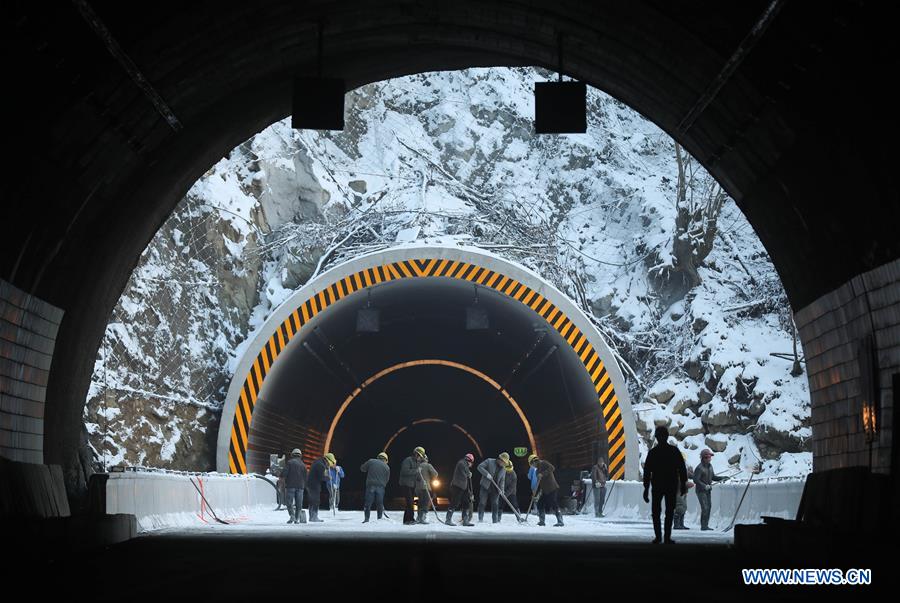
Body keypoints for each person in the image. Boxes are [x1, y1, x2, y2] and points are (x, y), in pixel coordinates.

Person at [643, 426, 688, 544]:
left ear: (656, 437)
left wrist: (646, 488)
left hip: (657, 485)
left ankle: (658, 537)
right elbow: (682, 469)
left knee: (656, 512)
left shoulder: (653, 453)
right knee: (669, 511)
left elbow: (647, 472)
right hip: (671, 485)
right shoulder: (674, 451)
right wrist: (683, 484)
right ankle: (667, 537)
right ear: (667, 437)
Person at [693, 448, 726, 531]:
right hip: (701, 491)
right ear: (704, 458)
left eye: (710, 457)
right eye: (709, 457)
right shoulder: (699, 468)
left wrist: (722, 478)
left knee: (709, 507)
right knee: (705, 507)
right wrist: (704, 486)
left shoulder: (710, 466)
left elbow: (713, 477)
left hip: (708, 490)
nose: (710, 459)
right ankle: (703, 526)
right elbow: (696, 480)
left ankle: (706, 525)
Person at [529, 454, 563, 526]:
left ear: (534, 461)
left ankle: (560, 521)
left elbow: (552, 468)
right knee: (540, 504)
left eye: (532, 464)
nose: (533, 466)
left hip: (552, 488)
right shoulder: (537, 471)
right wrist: (535, 494)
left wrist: (543, 474)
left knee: (554, 504)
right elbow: (539, 484)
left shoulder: (544, 463)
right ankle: (542, 521)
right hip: (545, 490)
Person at [477, 452, 509, 523]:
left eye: (505, 463)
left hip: (495, 489)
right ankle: (480, 519)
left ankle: (495, 521)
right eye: (503, 462)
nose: (504, 464)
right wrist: (487, 474)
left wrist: (501, 490)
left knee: (495, 504)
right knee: (482, 502)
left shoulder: (503, 469)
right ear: (500, 459)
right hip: (485, 486)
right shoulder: (489, 461)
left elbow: (502, 480)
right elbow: (479, 467)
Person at [446, 453, 475, 526]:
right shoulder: (461, 463)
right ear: (469, 460)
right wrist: (468, 474)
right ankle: (448, 519)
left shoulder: (464, 464)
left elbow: (466, 473)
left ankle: (465, 520)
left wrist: (468, 473)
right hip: (457, 486)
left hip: (463, 487)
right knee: (455, 502)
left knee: (466, 502)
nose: (471, 464)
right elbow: (463, 473)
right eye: (471, 462)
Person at [360, 452, 390, 523]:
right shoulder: (387, 467)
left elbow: (363, 469)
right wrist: (383, 484)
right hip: (381, 487)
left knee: (368, 503)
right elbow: (387, 479)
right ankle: (379, 519)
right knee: (379, 504)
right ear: (385, 460)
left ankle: (366, 519)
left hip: (370, 485)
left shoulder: (371, 461)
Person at [399, 446, 426, 525]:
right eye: (419, 455)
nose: (419, 458)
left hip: (412, 485)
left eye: (420, 456)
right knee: (410, 502)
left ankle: (408, 519)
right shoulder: (408, 460)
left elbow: (417, 475)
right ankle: (408, 520)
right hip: (406, 484)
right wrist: (416, 471)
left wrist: (421, 480)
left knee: (410, 502)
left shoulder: (417, 463)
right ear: (415, 454)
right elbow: (405, 471)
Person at [306, 452, 336, 522]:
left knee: (312, 500)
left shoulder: (317, 461)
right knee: (316, 501)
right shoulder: (321, 465)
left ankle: (312, 517)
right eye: (329, 464)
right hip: (314, 485)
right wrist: (328, 478)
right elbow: (321, 477)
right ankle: (314, 517)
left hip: (310, 484)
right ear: (328, 460)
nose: (329, 465)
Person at [283, 448, 307, 524]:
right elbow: (306, 477)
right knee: (299, 503)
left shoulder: (289, 463)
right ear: (300, 456)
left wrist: (281, 477)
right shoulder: (303, 465)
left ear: (292, 455)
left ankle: (292, 516)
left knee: (289, 502)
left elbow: (284, 473)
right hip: (300, 487)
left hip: (290, 485)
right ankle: (296, 519)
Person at [414, 453, 438, 524]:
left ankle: (418, 517)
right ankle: (423, 518)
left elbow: (416, 477)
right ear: (426, 459)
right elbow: (435, 474)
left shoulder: (417, 467)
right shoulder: (428, 465)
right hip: (425, 487)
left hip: (417, 488)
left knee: (420, 502)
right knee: (425, 503)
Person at [674, 461, 694, 530]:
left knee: (684, 507)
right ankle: (676, 525)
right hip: (677, 492)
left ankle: (681, 524)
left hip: (684, 492)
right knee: (679, 507)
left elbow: (691, 475)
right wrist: (687, 484)